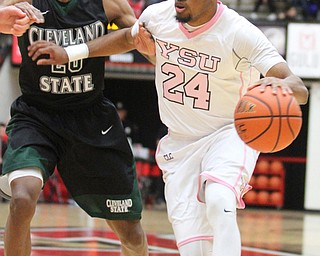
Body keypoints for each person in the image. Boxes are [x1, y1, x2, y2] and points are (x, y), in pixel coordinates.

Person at [28, 0, 309, 255]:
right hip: (180, 145)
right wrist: (70, 54)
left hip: (228, 134)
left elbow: (299, 89)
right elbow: (127, 38)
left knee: (219, 199)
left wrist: (280, 85)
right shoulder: (158, 15)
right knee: (194, 250)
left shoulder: (239, 32)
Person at [0, 0, 149, 255]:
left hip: (91, 119)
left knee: (131, 233)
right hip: (37, 115)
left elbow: (143, 43)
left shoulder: (108, 3)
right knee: (22, 199)